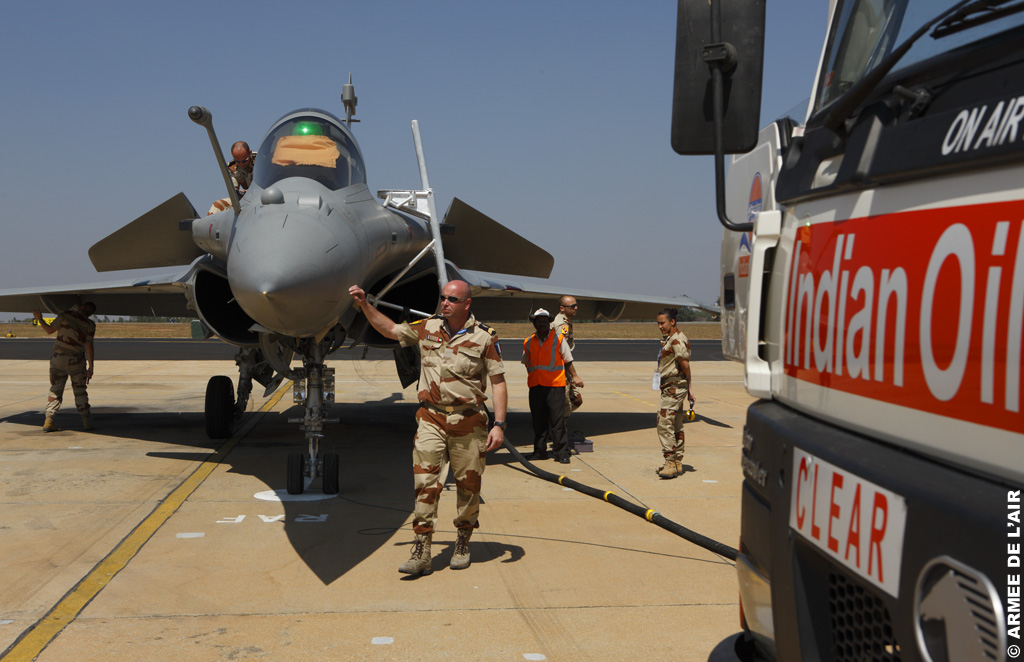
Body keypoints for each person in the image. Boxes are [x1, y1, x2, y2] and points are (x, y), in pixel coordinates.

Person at [347, 280, 507, 576]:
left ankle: (463, 541)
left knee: (468, 486)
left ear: (466, 304)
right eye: (443, 298)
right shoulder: (428, 328)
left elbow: (498, 382)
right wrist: (364, 304)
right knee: (424, 485)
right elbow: (391, 330)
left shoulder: (485, 337)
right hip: (431, 419)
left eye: (452, 299)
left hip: (468, 421)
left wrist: (498, 424)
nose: (445, 303)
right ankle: (421, 550)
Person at [522, 308, 582, 464]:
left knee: (557, 421)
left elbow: (568, 360)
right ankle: (539, 452)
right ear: (534, 323)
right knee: (538, 421)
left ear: (549, 323)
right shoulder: (528, 342)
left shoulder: (559, 340)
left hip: (555, 386)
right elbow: (526, 362)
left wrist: (574, 376)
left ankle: (561, 453)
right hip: (536, 386)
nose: (541, 324)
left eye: (544, 321)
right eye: (538, 321)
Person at [33, 303, 97, 432]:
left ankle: (49, 420)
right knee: (80, 391)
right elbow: (89, 346)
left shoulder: (64, 316)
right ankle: (85, 421)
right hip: (77, 361)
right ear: (90, 313)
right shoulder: (90, 325)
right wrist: (91, 366)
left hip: (59, 359)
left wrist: (40, 318)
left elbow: (49, 330)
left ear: (81, 307)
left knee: (56, 390)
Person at [654, 308, 693, 479]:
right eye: (658, 323)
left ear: (672, 322)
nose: (660, 326)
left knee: (664, 422)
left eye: (662, 323)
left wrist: (689, 388)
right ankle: (676, 463)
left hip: (674, 387)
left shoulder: (677, 340)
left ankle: (670, 461)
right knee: (676, 423)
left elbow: (685, 366)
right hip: (672, 386)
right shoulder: (672, 338)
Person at [551, 295, 582, 417]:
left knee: (575, 400)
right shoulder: (561, 326)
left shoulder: (565, 322)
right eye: (572, 306)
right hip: (559, 370)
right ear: (562, 308)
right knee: (565, 405)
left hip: (563, 369)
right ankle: (557, 431)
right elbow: (562, 353)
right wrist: (574, 375)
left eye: (576, 305)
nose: (576, 308)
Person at [206, 141, 255, 215]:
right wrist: (237, 191)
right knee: (217, 205)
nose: (241, 164)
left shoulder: (262, 159)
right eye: (238, 161)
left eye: (244, 160)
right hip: (245, 199)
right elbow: (234, 190)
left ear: (250, 152)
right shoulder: (231, 167)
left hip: (264, 195)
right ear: (232, 155)